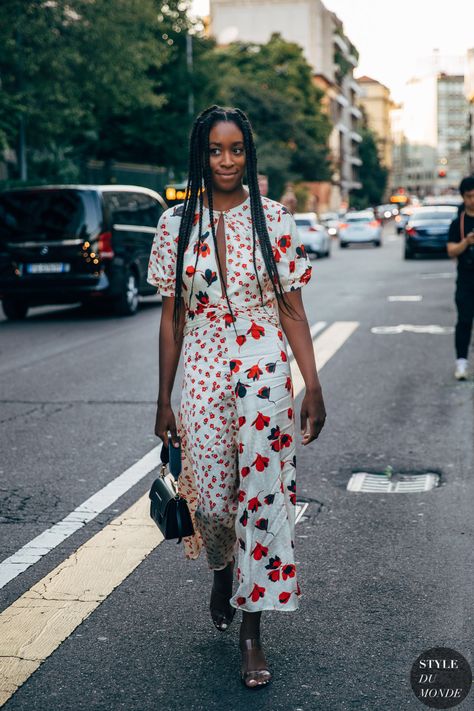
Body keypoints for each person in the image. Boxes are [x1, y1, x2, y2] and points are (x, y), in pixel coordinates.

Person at [147, 106, 326, 688]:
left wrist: (313, 383)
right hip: (200, 367)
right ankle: (222, 569)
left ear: (249, 154)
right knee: (215, 504)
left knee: (264, 498)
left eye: (237, 150)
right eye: (215, 151)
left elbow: (291, 308)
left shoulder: (274, 219)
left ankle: (253, 632)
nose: (226, 161)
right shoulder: (176, 225)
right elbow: (171, 318)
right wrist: (163, 398)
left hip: (264, 367)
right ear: (201, 156)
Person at [447, 175, 474, 380]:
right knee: (464, 321)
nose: (473, 200)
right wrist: (467, 242)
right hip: (466, 280)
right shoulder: (458, 223)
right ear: (463, 198)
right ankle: (461, 364)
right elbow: (451, 251)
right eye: (469, 196)